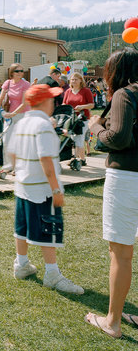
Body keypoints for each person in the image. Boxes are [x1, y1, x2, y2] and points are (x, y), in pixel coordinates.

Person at [8, 84, 83, 295]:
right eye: (51, 99)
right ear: (43, 102)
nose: (54, 103)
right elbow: (46, 159)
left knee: (21, 228)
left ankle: (21, 264)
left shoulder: (21, 123)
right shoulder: (43, 126)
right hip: (41, 189)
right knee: (49, 229)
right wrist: (56, 190)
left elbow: (11, 153)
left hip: (23, 185)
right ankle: (52, 274)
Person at [85, 48, 138, 338]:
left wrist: (96, 129)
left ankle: (113, 322)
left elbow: (118, 138)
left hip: (128, 176)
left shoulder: (123, 94)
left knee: (121, 252)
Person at [0, 63, 31, 171]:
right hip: (10, 115)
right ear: (12, 73)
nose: (21, 73)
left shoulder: (26, 84)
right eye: (18, 71)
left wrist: (13, 114)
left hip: (22, 115)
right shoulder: (8, 83)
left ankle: (19, 168)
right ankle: (8, 166)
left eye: (22, 71)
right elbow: (0, 99)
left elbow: (24, 103)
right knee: (7, 140)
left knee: (20, 142)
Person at [62, 72, 95, 165]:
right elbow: (64, 103)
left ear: (81, 80)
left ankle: (75, 159)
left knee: (79, 137)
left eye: (76, 79)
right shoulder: (68, 91)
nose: (74, 81)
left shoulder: (86, 91)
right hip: (71, 119)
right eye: (72, 79)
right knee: (73, 138)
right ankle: (83, 159)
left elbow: (92, 105)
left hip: (83, 119)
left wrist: (82, 107)